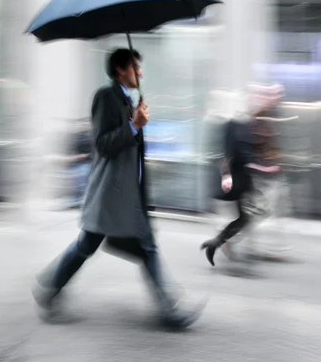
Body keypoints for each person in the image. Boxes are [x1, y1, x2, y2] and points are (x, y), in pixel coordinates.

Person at [32, 48, 203, 330]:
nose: (142, 72)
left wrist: (136, 122)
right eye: (137, 66)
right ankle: (50, 288)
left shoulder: (127, 100)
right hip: (111, 194)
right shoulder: (105, 97)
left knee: (142, 247)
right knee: (92, 245)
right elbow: (102, 144)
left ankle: (169, 310)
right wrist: (134, 125)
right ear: (121, 69)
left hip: (127, 195)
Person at [201, 84, 283, 265]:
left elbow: (250, 150)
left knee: (247, 216)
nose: (249, 102)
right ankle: (219, 242)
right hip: (237, 178)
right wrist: (226, 175)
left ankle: (217, 242)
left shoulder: (247, 123)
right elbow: (227, 152)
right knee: (248, 215)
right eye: (246, 100)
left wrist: (261, 164)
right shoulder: (232, 124)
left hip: (245, 177)